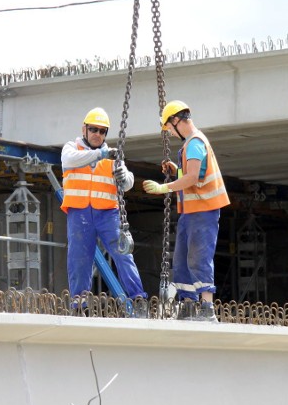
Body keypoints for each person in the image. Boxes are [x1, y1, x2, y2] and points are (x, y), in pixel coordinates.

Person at [142, 100, 230, 322]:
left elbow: (191, 178)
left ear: (177, 120)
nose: (170, 132)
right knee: (182, 260)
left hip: (203, 211)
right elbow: (193, 174)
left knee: (199, 258)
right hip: (190, 212)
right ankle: (188, 305)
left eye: (169, 127)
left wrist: (165, 187)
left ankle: (207, 308)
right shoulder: (191, 144)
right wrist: (176, 169)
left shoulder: (195, 143)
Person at [61, 107, 149, 317]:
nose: (97, 134)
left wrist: (122, 175)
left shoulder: (113, 157)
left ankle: (138, 299)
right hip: (80, 213)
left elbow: (128, 183)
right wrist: (101, 154)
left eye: (102, 131)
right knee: (79, 259)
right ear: (84, 128)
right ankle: (79, 304)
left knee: (123, 254)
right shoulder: (71, 149)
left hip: (107, 214)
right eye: (94, 129)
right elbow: (68, 161)